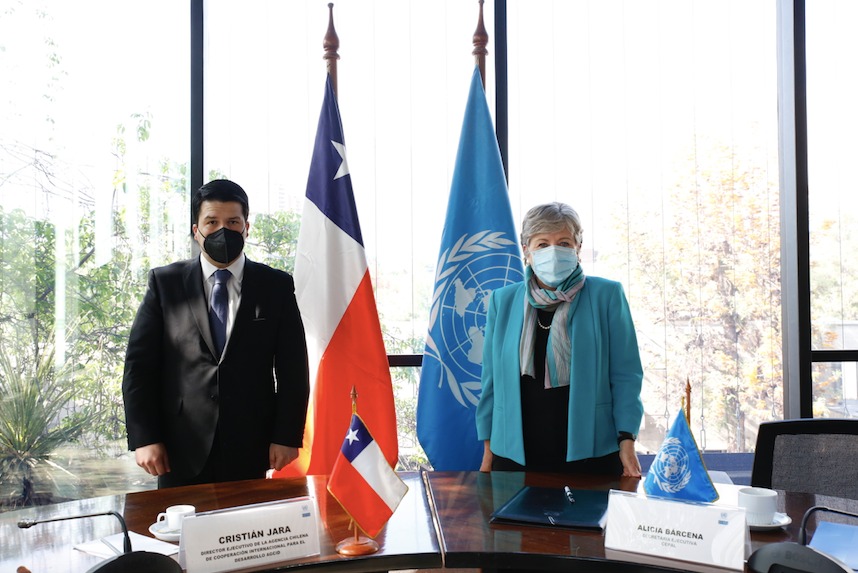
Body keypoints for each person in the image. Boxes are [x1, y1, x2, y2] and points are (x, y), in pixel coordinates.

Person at [122, 179, 310, 488]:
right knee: (177, 535)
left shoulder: (275, 285)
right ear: (196, 230)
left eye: (232, 222)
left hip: (251, 444)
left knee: (245, 532)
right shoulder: (165, 284)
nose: (223, 230)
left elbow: (293, 369)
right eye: (212, 222)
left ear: (246, 228)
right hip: (177, 447)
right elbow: (139, 369)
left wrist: (286, 436)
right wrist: (145, 437)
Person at [476, 202, 644, 476]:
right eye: (542, 244)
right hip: (514, 454)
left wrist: (627, 439)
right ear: (526, 251)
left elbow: (626, 375)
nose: (553, 252)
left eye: (563, 242)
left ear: (578, 248)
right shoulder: (503, 301)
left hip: (591, 452)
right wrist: (487, 446)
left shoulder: (607, 296)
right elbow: (490, 380)